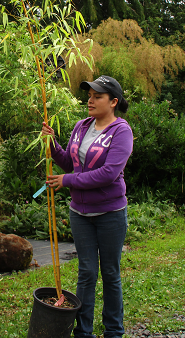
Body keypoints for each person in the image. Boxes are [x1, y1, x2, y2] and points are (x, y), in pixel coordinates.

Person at [42, 75, 133, 338]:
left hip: (110, 214)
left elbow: (108, 174)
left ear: (113, 102)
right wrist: (52, 145)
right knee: (86, 273)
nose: (90, 100)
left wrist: (66, 181)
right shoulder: (81, 126)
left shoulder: (121, 131)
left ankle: (114, 331)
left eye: (97, 96)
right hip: (80, 214)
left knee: (110, 273)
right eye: (89, 95)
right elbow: (70, 164)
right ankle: (84, 332)